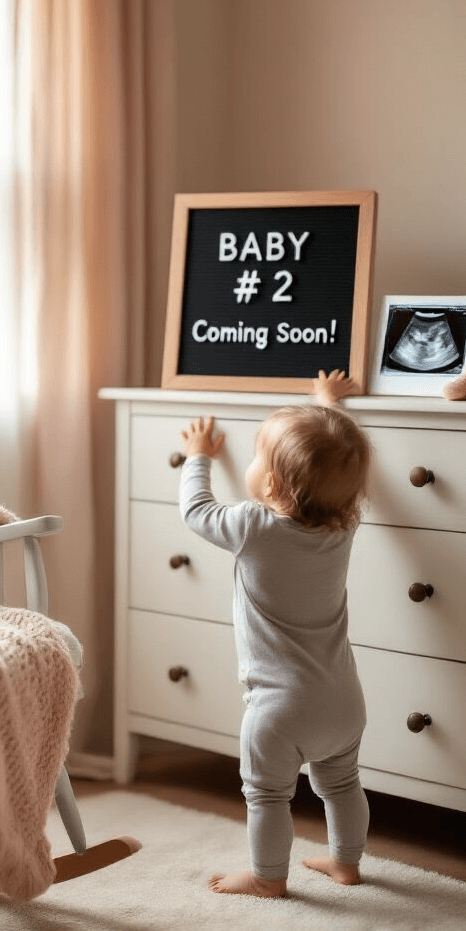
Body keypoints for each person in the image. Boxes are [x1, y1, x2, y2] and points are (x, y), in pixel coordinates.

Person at [178, 369, 372, 898]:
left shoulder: (252, 526)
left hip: (278, 708)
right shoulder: (344, 525)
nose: (252, 463)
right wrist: (328, 404)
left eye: (259, 457)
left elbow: (196, 511)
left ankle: (267, 877)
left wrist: (199, 456)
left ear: (274, 484)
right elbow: (338, 460)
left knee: (266, 795)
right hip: (343, 700)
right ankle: (347, 863)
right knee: (343, 785)